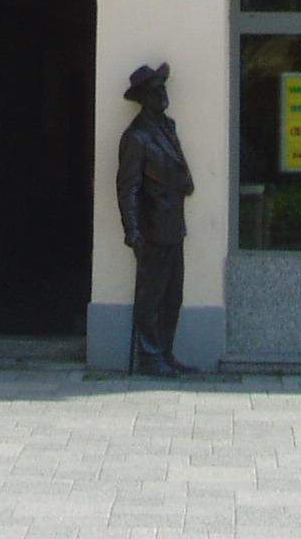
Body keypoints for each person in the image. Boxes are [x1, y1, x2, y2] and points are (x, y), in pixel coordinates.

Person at [116, 61, 194, 377]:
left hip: (174, 224)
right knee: (151, 296)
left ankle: (165, 352)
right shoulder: (136, 137)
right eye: (156, 90)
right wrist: (132, 228)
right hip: (152, 227)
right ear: (143, 98)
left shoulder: (168, 127)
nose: (163, 94)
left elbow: (177, 166)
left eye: (163, 88)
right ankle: (149, 356)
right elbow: (128, 187)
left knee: (173, 295)